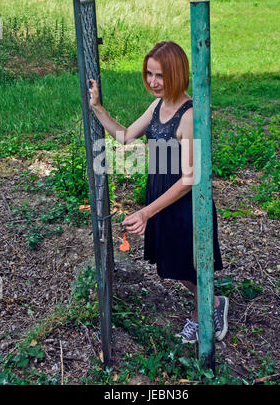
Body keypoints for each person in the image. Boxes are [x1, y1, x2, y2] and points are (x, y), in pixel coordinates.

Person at [89, 41, 228, 344]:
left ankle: (210, 306)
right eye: (149, 74)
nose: (153, 82)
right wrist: (97, 108)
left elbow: (190, 178)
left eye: (161, 76)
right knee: (171, 262)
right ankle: (210, 302)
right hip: (159, 195)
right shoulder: (157, 106)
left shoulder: (189, 115)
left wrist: (146, 212)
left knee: (185, 263)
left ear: (177, 74)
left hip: (184, 203)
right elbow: (125, 136)